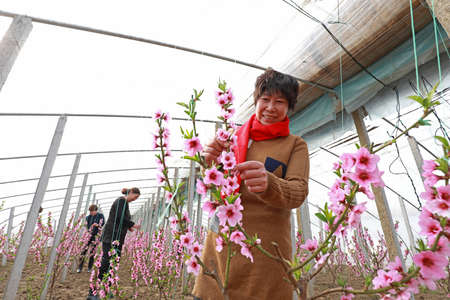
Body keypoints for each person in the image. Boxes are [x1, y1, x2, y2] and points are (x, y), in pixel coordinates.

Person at [192, 69, 310, 300]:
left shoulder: (295, 145)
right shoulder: (231, 138)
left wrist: (270, 183)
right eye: (265, 99)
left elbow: (298, 192)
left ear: (289, 107)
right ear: (256, 101)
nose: (270, 107)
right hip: (221, 246)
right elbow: (214, 184)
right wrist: (208, 165)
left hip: (265, 253)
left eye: (280, 101)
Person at [87, 187, 141, 300]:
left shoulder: (124, 203)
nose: (134, 200)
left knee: (112, 264)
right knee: (106, 263)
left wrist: (128, 226)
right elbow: (119, 217)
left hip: (116, 238)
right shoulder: (121, 201)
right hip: (111, 236)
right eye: (135, 197)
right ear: (131, 193)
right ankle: (93, 293)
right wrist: (131, 224)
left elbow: (121, 220)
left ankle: (106, 290)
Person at [77, 204, 105, 273]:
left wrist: (98, 225)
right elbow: (87, 226)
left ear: (96, 210)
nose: (91, 213)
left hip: (96, 236)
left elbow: (103, 223)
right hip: (88, 236)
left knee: (92, 252)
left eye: (92, 211)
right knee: (83, 251)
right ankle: (80, 267)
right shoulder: (88, 217)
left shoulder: (100, 216)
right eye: (90, 211)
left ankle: (89, 268)